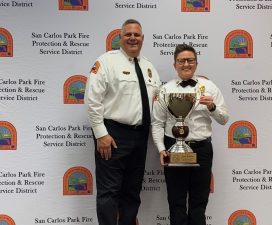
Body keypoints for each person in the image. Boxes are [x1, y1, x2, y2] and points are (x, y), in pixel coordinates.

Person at [85, 19, 160, 225]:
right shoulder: (106, 61)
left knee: (132, 192)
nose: (133, 38)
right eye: (128, 34)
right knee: (109, 192)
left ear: (142, 38)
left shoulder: (149, 68)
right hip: (113, 135)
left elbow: (156, 103)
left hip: (140, 137)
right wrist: (101, 134)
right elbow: (92, 99)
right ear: (120, 37)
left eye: (137, 35)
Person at [152, 43, 229, 225]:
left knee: (199, 203)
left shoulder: (209, 87)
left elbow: (224, 119)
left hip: (202, 150)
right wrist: (162, 149)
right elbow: (156, 123)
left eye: (190, 60)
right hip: (174, 148)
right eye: (181, 61)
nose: (186, 64)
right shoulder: (165, 90)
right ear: (175, 65)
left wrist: (212, 107)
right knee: (176, 203)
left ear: (196, 63)